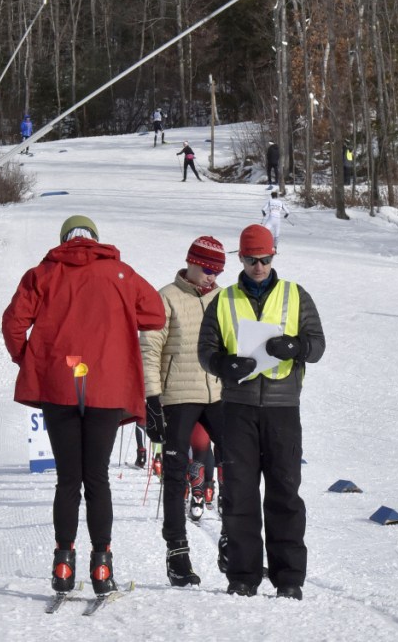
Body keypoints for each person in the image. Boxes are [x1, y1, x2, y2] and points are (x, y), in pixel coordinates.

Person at [2, 215, 165, 596]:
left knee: (68, 480)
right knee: (97, 479)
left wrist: (29, 360)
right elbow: (155, 315)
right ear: (95, 238)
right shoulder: (121, 274)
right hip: (105, 388)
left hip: (59, 385)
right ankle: (102, 565)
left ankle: (63, 561)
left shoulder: (43, 273)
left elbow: (12, 324)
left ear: (64, 240)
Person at [198, 224, 325, 601]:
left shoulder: (295, 295)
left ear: (273, 258)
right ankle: (242, 576)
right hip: (237, 408)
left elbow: (317, 346)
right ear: (241, 258)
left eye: (265, 259)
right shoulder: (223, 300)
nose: (259, 266)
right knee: (239, 494)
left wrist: (294, 345)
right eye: (252, 260)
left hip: (283, 409)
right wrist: (224, 365)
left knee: (285, 492)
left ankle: (288, 578)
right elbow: (206, 350)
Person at [140, 235, 226, 587]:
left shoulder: (223, 298)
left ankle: (232, 543)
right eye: (206, 269)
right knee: (175, 474)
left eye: (217, 271)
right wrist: (152, 398)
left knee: (237, 464)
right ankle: (177, 554)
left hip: (219, 394)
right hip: (177, 395)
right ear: (191, 262)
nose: (211, 277)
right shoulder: (167, 297)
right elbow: (149, 348)